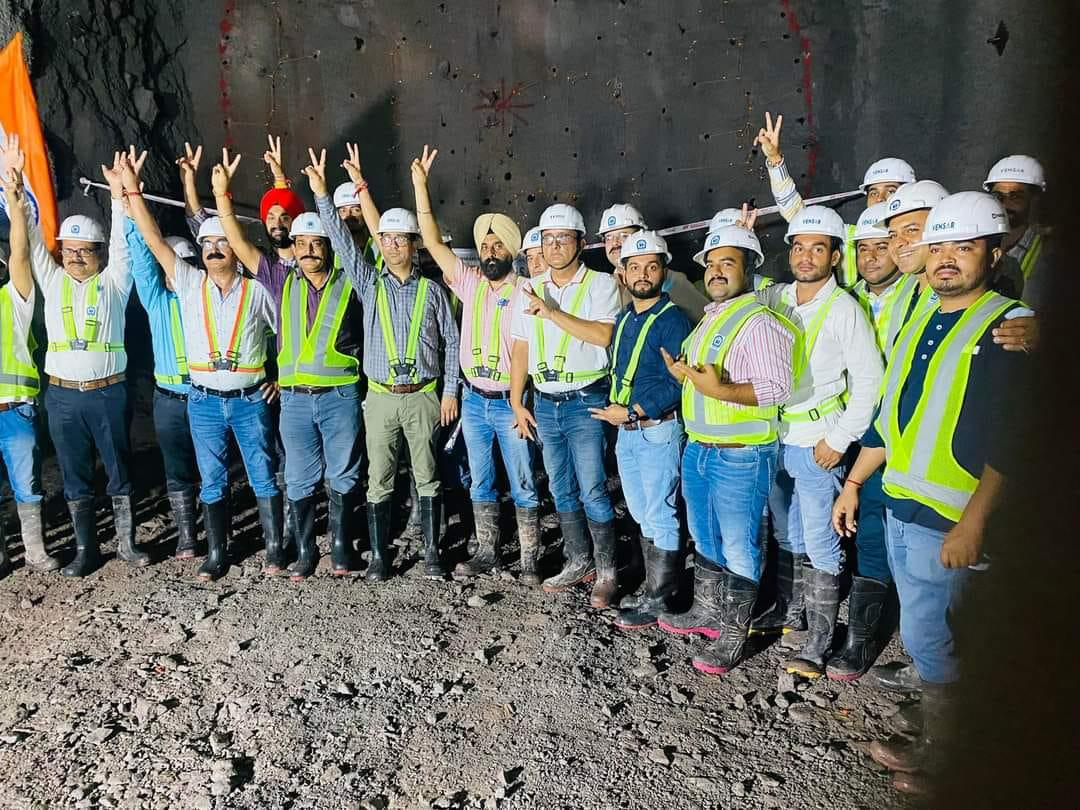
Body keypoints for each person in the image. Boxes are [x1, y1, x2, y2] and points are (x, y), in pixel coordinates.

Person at [833, 192, 1024, 795]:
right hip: (903, 506)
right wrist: (856, 482)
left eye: (963, 247)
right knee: (925, 634)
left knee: (940, 637)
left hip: (950, 519)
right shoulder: (921, 319)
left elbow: (1014, 439)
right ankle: (942, 726)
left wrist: (974, 523)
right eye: (937, 247)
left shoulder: (1007, 328)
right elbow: (892, 419)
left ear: (995, 254)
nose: (945, 258)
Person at [122, 151, 282, 582]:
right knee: (211, 479)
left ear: (235, 249)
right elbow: (155, 240)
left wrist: (279, 376)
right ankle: (216, 551)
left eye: (221, 243)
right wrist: (133, 192)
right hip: (204, 401)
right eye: (207, 245)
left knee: (263, 474)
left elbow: (286, 336)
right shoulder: (190, 284)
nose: (212, 250)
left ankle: (273, 548)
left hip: (249, 399)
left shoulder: (257, 292)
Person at [308, 146, 461, 581]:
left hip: (424, 396)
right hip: (380, 398)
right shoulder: (369, 284)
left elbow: (452, 342)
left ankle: (432, 553)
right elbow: (341, 242)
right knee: (380, 478)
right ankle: (379, 556)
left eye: (400, 239)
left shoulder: (433, 292)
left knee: (428, 477)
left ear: (414, 244)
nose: (392, 245)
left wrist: (449, 392)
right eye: (386, 239)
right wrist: (322, 195)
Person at [212, 155, 366, 581]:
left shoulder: (351, 279)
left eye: (317, 244)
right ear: (293, 249)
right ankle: (304, 551)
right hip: (295, 401)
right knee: (297, 477)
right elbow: (239, 243)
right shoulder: (280, 280)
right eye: (302, 244)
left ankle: (340, 550)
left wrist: (322, 195)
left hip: (339, 396)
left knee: (344, 473)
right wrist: (222, 197)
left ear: (329, 247)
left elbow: (352, 241)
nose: (309, 251)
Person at [752, 205, 884, 679]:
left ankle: (818, 643)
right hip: (777, 435)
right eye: (799, 247)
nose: (806, 257)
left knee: (820, 542)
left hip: (818, 443)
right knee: (786, 533)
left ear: (835, 256)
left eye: (818, 249)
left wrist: (840, 438)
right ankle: (792, 613)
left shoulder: (844, 309)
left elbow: (870, 381)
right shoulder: (776, 298)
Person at [656, 224, 795, 672]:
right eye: (711, 264)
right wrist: (685, 377)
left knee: (738, 544)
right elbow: (707, 379)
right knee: (705, 535)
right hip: (701, 448)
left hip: (741, 453)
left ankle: (735, 635)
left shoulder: (760, 323)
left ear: (750, 268)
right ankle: (707, 610)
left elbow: (777, 387)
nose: (715, 271)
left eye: (727, 263)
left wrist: (718, 391)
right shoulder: (711, 319)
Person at [7, 141, 148, 577]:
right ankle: (87, 549)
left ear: (98, 253)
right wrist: (16, 192)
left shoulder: (115, 283)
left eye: (84, 250)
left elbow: (123, 243)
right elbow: (30, 239)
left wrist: (120, 195)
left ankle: (126, 544)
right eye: (68, 250)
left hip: (108, 394)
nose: (75, 257)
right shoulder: (52, 281)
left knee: (119, 468)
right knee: (74, 473)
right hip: (63, 398)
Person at [409, 145, 542, 584]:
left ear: (511, 250)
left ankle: (529, 559)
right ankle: (488, 551)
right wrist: (421, 187)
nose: (488, 251)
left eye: (496, 244)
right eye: (484, 245)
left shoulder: (525, 291)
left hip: (508, 401)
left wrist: (518, 401)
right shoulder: (470, 284)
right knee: (480, 480)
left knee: (522, 481)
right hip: (474, 399)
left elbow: (523, 349)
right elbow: (432, 242)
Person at [509, 203, 621, 607]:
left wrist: (554, 312)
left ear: (581, 243)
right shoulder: (530, 287)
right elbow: (521, 347)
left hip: (585, 399)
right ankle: (579, 561)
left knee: (593, 487)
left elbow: (604, 336)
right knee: (560, 487)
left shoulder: (601, 284)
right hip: (545, 402)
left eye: (563, 238)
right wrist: (516, 399)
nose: (554, 246)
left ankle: (607, 572)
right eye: (547, 239)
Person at [822, 201, 916, 681]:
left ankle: (897, 636)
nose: (873, 256)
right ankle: (863, 634)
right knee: (865, 531)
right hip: (857, 431)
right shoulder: (847, 298)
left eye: (883, 246)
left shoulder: (918, 296)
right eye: (864, 249)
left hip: (903, 434)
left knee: (904, 535)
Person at [588, 230, 692, 629]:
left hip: (656, 428)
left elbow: (678, 383)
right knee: (642, 513)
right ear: (624, 273)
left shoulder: (673, 321)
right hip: (628, 430)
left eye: (651, 267)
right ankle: (654, 588)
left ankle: (661, 599)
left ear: (664, 271)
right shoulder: (625, 318)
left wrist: (632, 411)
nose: (643, 274)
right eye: (635, 267)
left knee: (661, 513)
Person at [755, 111, 916, 287]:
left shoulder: (923, 236)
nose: (880, 199)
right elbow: (796, 214)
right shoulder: (851, 235)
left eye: (891, 191)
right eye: (874, 193)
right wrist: (775, 160)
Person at [126, 222, 200, 561]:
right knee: (177, 467)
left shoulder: (203, 299)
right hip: (169, 399)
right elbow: (142, 265)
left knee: (212, 467)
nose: (175, 273)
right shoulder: (156, 301)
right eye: (170, 267)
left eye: (183, 265)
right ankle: (187, 536)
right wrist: (131, 216)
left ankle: (219, 528)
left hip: (204, 396)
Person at [0, 148, 58, 575]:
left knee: (28, 487)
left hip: (16, 410)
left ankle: (35, 552)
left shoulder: (15, 300)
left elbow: (21, 254)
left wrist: (15, 201)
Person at [596, 203, 707, 322]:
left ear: (641, 237)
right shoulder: (603, 285)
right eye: (608, 237)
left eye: (624, 236)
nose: (615, 243)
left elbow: (705, 321)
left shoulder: (670, 281)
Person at [983, 154, 1049, 306]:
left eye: (1016, 197)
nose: (1005, 204)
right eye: (998, 196)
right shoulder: (976, 241)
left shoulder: (1049, 250)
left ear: (1034, 199)